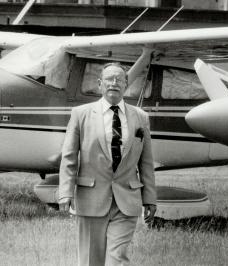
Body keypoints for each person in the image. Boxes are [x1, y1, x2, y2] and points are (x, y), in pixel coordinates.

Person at [59, 62, 157, 266]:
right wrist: (65, 192)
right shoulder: (81, 114)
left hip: (127, 200)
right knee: (90, 260)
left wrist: (150, 198)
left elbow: (146, 162)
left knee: (117, 258)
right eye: (109, 79)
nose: (114, 83)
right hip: (91, 198)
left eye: (119, 79)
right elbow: (69, 157)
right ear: (99, 84)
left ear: (126, 84)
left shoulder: (141, 117)